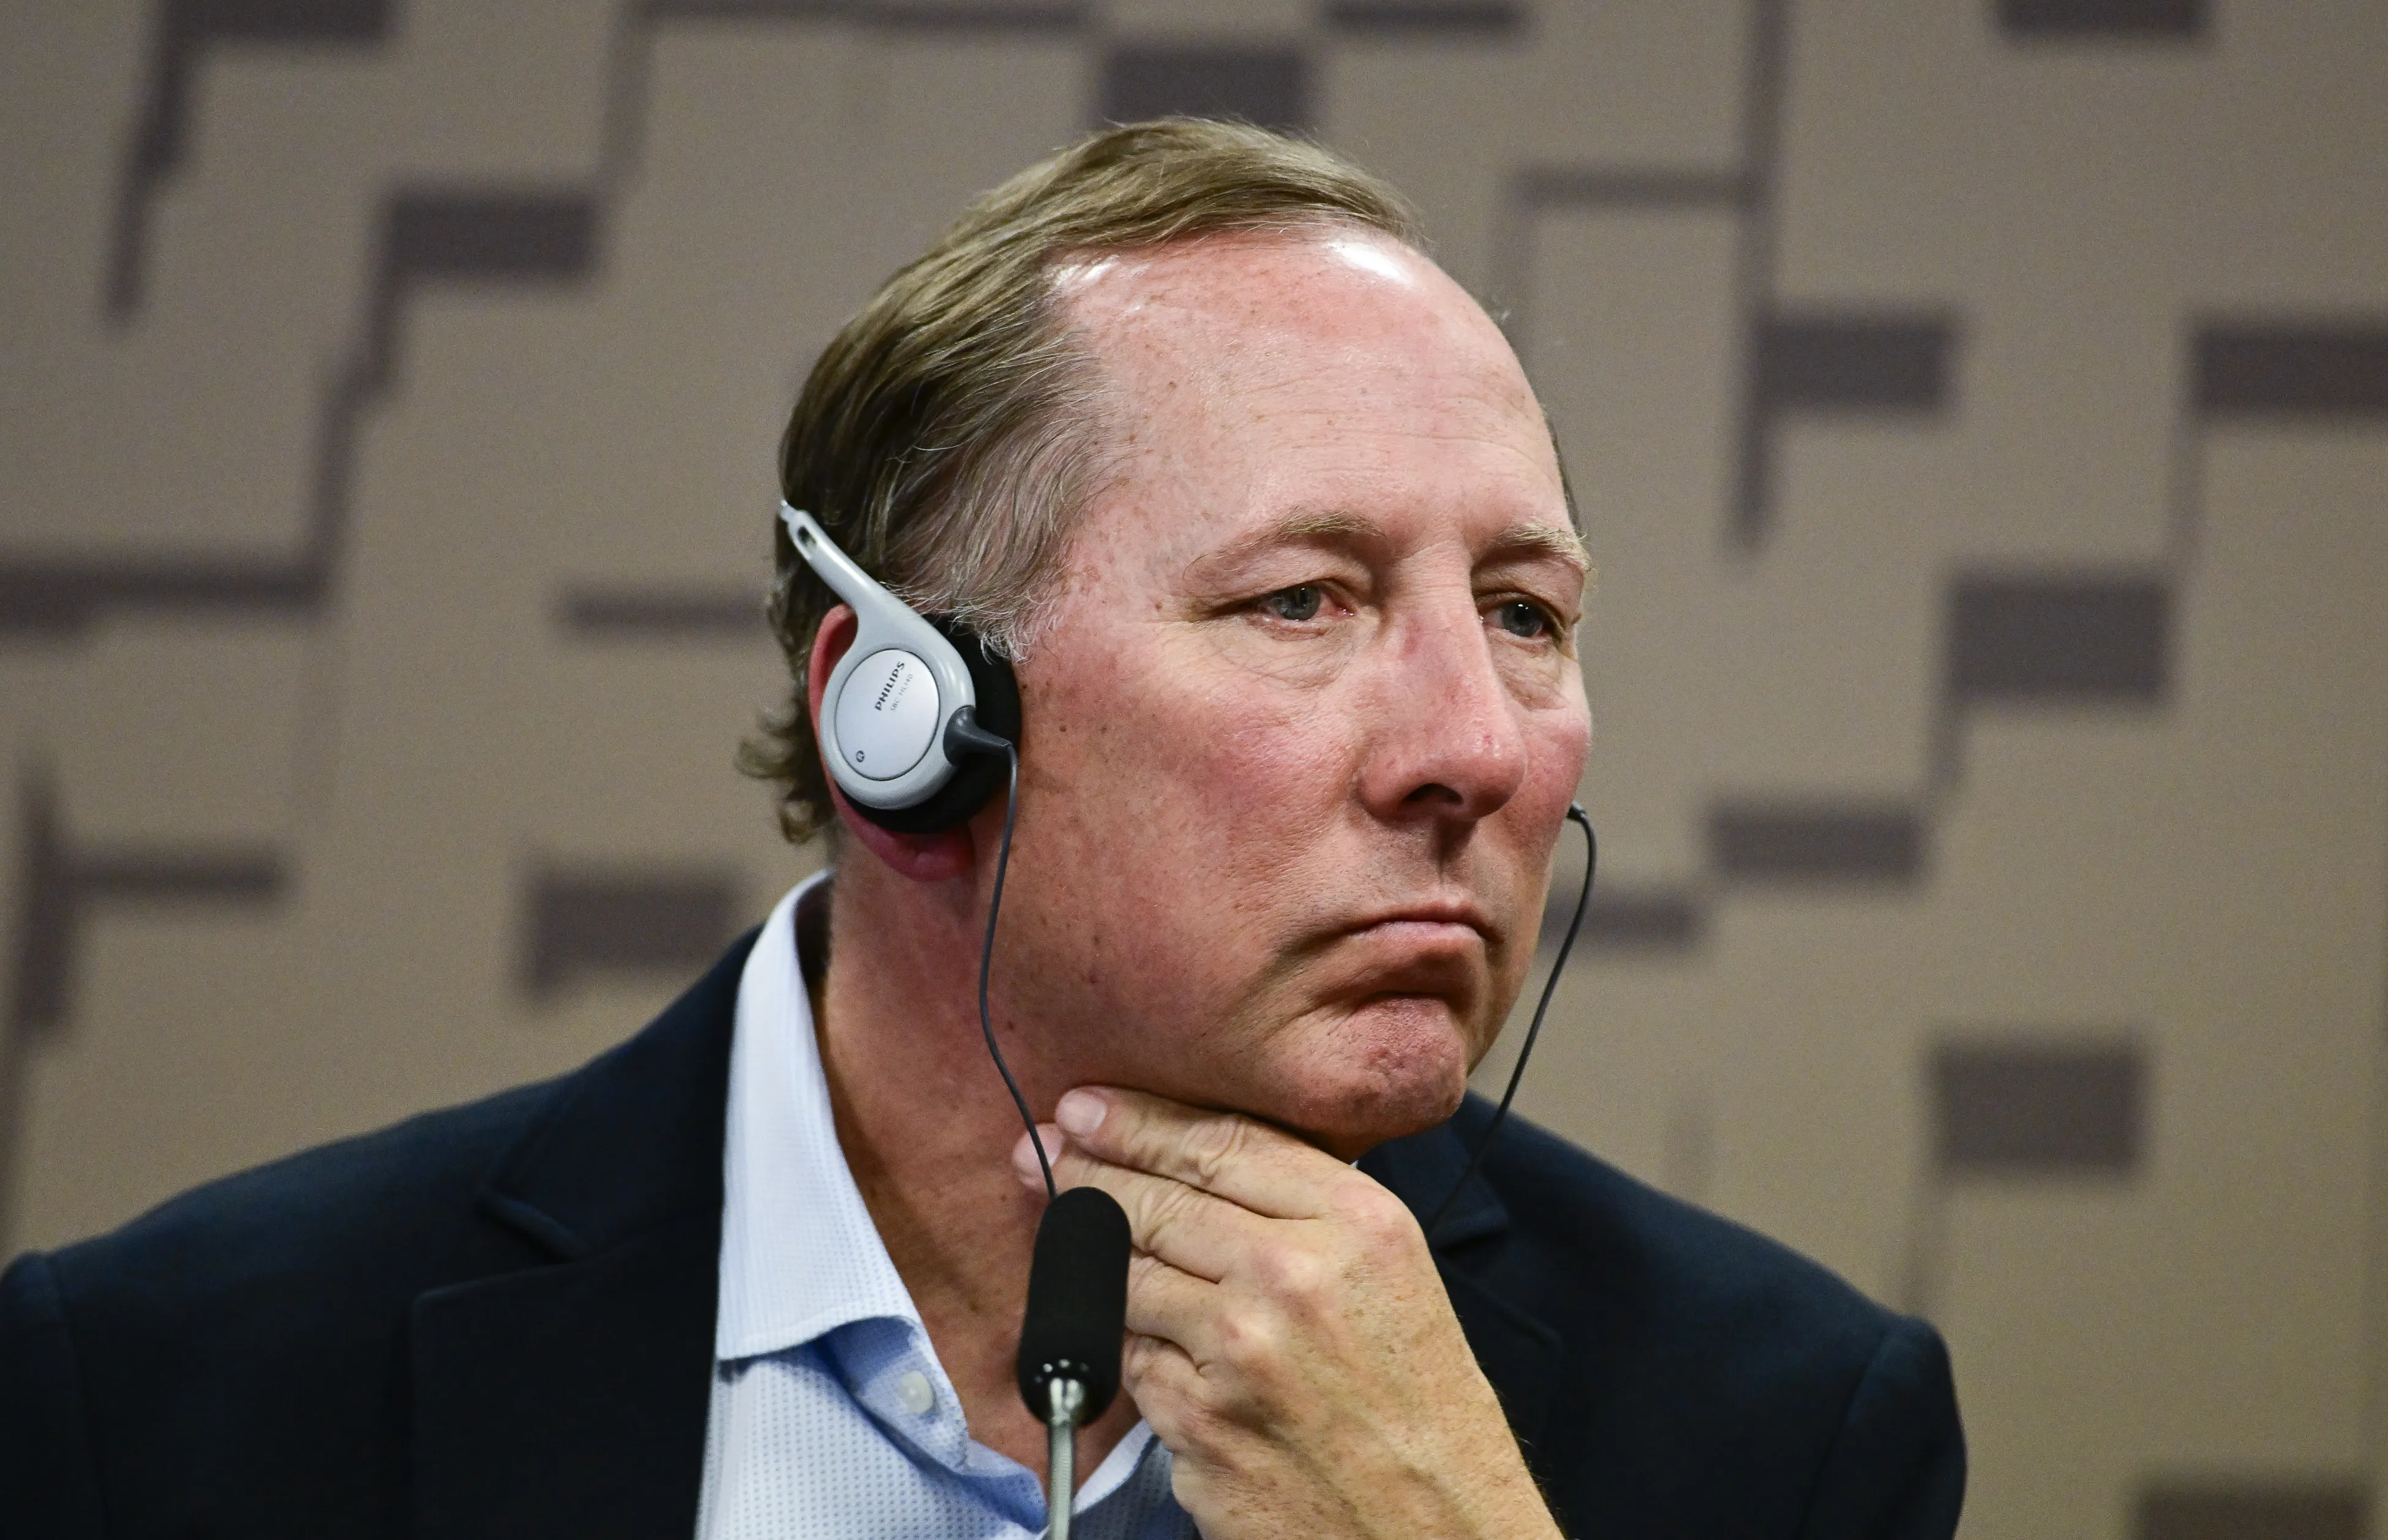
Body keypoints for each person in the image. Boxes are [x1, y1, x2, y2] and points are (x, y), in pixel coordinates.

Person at [0, 120, 1962, 1539]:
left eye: (1524, 616)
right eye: (1305, 601)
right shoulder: (167, 1394)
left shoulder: (1780, 1435)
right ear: (902, 721)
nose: (1481, 747)